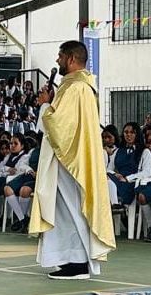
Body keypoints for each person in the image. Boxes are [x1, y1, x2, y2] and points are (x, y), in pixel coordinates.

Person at [27, 40, 115, 280]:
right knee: (63, 211)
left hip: (70, 162)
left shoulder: (76, 88)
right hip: (69, 159)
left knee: (74, 210)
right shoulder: (76, 87)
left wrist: (45, 104)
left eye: (60, 56)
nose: (57, 60)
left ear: (72, 59)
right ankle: (68, 258)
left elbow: (59, 125)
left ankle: (79, 262)